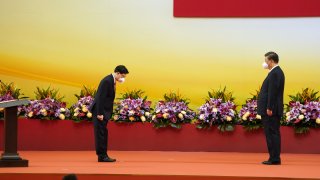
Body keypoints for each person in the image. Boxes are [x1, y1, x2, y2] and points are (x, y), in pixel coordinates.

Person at [89, 65, 129, 162]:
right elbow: (100, 97)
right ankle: (102, 156)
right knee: (100, 134)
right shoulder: (107, 81)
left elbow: (107, 97)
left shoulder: (112, 81)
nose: (123, 79)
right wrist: (99, 113)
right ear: (117, 73)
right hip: (100, 112)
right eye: (122, 76)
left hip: (103, 111)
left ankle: (103, 155)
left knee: (103, 133)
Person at [257, 52, 285, 165]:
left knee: (272, 133)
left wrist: (269, 107)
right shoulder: (275, 72)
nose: (265, 63)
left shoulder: (275, 73)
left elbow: (272, 93)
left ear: (271, 61)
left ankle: (274, 158)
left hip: (271, 110)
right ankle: (274, 157)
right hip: (272, 109)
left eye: (266, 60)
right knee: (273, 133)